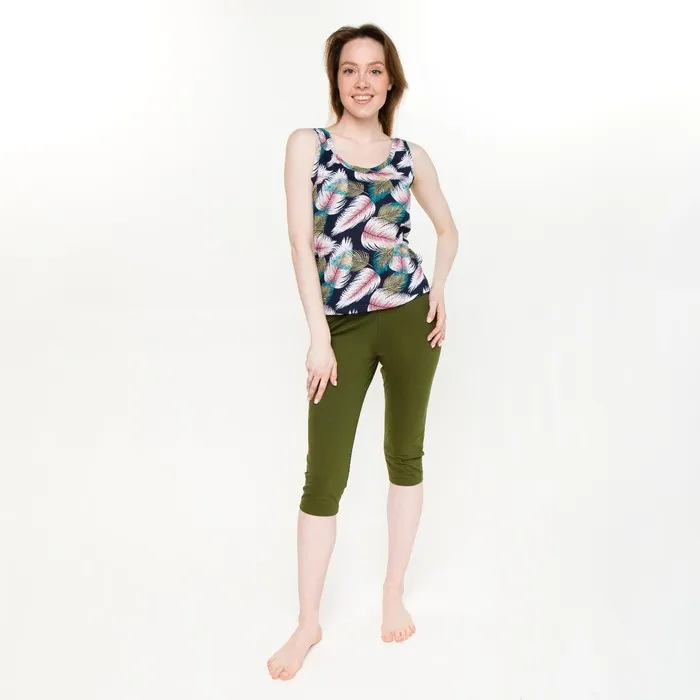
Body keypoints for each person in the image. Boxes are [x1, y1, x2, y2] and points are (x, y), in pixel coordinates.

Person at [267, 23, 459, 681]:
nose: (362, 81)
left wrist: (440, 288)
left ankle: (392, 591)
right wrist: (318, 337)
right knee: (323, 475)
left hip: (409, 319)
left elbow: (448, 230)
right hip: (341, 330)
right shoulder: (307, 145)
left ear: (391, 80)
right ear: (336, 79)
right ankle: (308, 622)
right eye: (350, 69)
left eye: (375, 70)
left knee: (405, 455)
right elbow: (301, 242)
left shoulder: (410, 155)